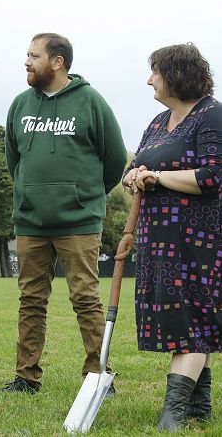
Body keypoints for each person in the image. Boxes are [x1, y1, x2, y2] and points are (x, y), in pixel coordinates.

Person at [3, 33, 127, 393]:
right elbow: (15, 160)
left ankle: (97, 376)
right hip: (31, 221)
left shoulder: (90, 101)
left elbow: (116, 158)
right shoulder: (20, 104)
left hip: (79, 221)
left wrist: (86, 198)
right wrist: (29, 194)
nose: (26, 61)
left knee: (86, 298)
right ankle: (26, 376)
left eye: (33, 55)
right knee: (30, 300)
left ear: (57, 62)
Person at [122, 43, 221, 431]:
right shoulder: (158, 122)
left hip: (196, 240)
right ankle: (199, 409)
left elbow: (212, 177)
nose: (150, 80)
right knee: (189, 321)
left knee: (193, 321)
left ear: (177, 74)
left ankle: (173, 414)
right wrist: (133, 176)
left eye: (156, 72)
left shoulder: (212, 116)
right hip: (158, 238)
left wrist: (157, 177)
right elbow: (137, 164)